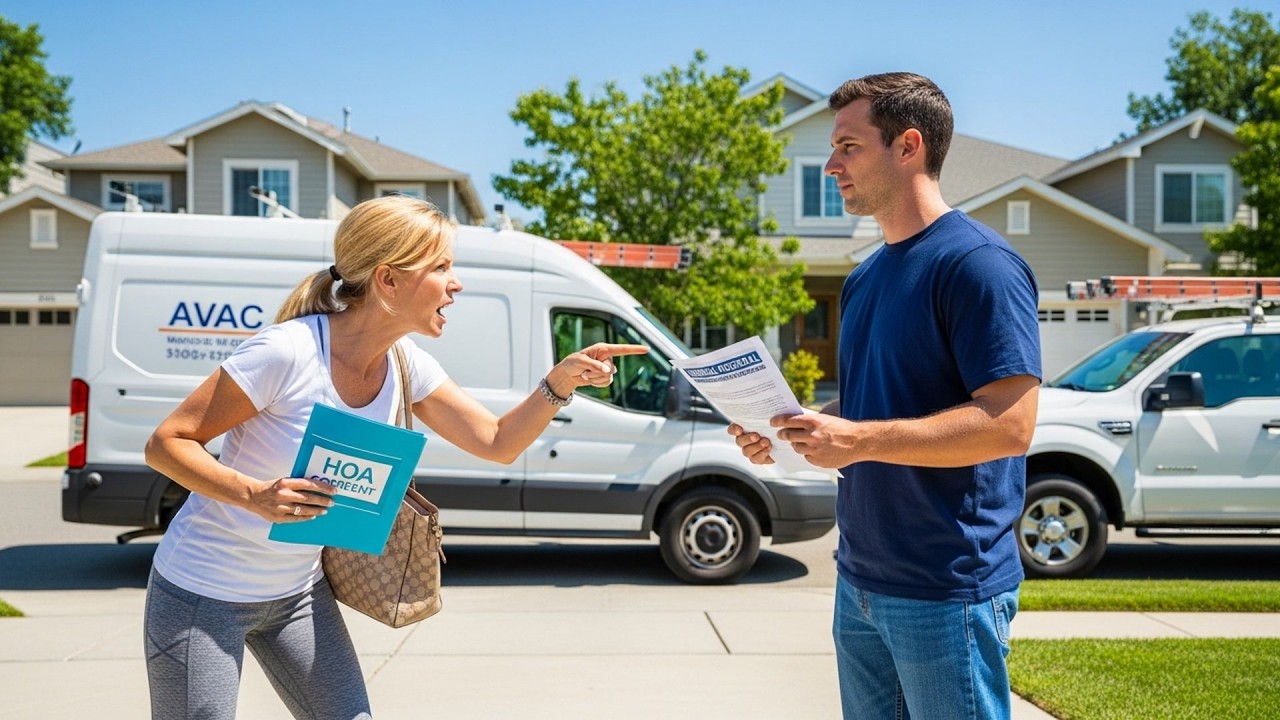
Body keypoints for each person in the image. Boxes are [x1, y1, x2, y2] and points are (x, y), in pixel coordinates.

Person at [142, 195, 647, 719]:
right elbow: (167, 443)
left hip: (296, 594)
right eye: (442, 268)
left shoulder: (408, 365)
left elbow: (496, 441)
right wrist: (254, 495)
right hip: (201, 593)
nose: (457, 283)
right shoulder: (287, 352)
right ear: (388, 279)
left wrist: (560, 381)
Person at [729, 72, 1041, 720]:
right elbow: (872, 407)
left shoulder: (978, 265)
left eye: (848, 146)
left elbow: (1009, 425)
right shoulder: (865, 278)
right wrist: (799, 428)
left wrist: (858, 441)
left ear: (908, 146)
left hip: (947, 584)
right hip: (862, 578)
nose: (830, 165)